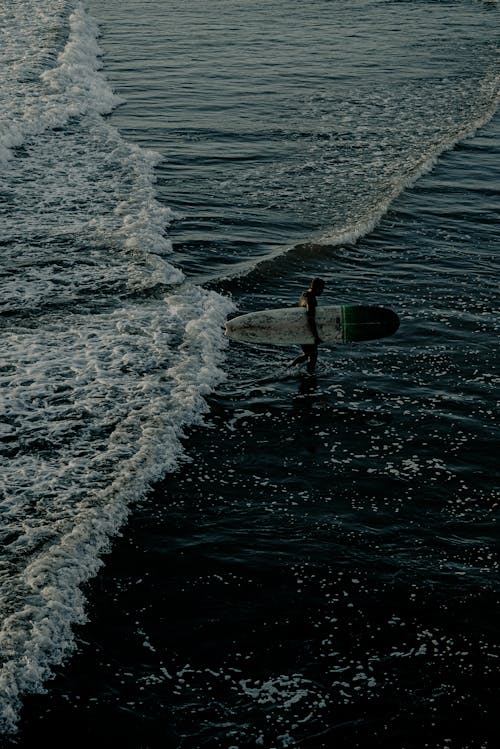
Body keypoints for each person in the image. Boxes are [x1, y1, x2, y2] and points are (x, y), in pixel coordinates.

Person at [290, 277, 326, 374]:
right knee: (313, 356)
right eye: (322, 289)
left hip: (302, 328)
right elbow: (310, 317)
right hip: (307, 330)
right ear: (317, 288)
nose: (322, 291)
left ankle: (290, 368)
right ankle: (310, 375)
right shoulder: (310, 297)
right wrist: (315, 335)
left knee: (307, 354)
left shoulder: (304, 294)